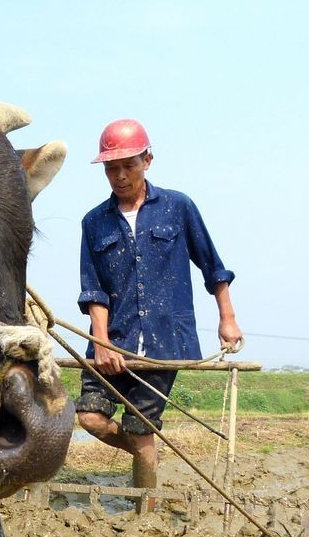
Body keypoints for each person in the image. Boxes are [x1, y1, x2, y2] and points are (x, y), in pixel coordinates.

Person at [76, 118, 242, 493]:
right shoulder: (93, 223)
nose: (120, 176)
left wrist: (227, 319)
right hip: (112, 339)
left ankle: (145, 507)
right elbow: (94, 290)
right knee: (90, 416)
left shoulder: (178, 208)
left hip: (165, 340)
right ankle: (142, 454)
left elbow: (212, 266)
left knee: (140, 426)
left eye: (128, 166)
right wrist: (101, 342)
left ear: (147, 160)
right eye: (111, 168)